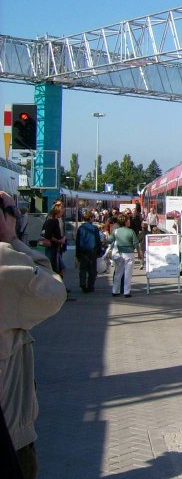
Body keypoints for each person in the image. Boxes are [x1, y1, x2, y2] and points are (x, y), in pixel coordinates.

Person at [0, 190, 67, 478]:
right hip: (9, 434)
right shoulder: (6, 263)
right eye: (15, 212)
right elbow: (53, 290)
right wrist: (11, 239)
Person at [108, 214, 137, 297]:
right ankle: (126, 292)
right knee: (128, 273)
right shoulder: (131, 231)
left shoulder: (115, 231)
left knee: (118, 272)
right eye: (128, 220)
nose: (129, 221)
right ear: (125, 222)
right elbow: (135, 244)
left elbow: (110, 240)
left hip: (119, 254)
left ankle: (115, 291)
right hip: (129, 254)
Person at [75, 212, 102, 293]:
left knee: (83, 268)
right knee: (92, 269)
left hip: (83, 251)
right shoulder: (94, 228)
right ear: (90, 218)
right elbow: (98, 241)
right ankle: (90, 286)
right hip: (92, 251)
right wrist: (99, 252)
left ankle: (82, 283)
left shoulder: (81, 228)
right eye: (93, 217)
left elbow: (77, 242)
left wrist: (77, 254)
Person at [41, 205, 66, 278]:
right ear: (58, 212)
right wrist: (59, 241)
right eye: (61, 212)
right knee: (54, 266)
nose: (62, 214)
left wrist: (62, 238)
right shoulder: (52, 221)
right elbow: (48, 235)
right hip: (52, 247)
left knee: (59, 266)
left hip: (55, 247)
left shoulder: (55, 220)